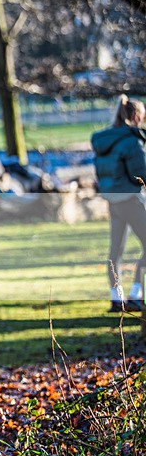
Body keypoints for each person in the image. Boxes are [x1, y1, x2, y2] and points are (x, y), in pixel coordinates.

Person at [91, 94, 146, 312]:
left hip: (113, 201)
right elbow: (140, 174)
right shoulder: (131, 141)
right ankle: (136, 293)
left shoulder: (104, 141)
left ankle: (116, 298)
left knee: (116, 251)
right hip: (131, 199)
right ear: (135, 116)